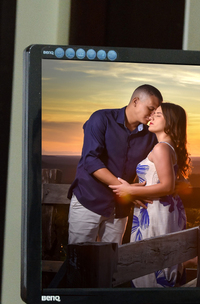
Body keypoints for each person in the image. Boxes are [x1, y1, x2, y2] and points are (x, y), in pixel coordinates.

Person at [66, 84, 162, 246]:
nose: (153, 115)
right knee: (79, 261)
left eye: (156, 112)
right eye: (151, 109)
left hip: (120, 209)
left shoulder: (150, 135)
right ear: (136, 101)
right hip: (89, 201)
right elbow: (91, 160)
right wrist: (127, 190)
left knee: (110, 264)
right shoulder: (101, 119)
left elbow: (155, 164)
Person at [112, 102, 190, 288]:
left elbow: (167, 186)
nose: (151, 118)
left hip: (156, 212)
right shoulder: (166, 147)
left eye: (158, 115)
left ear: (171, 122)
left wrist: (130, 190)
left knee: (153, 269)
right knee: (161, 264)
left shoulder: (161, 148)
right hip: (160, 211)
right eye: (152, 113)